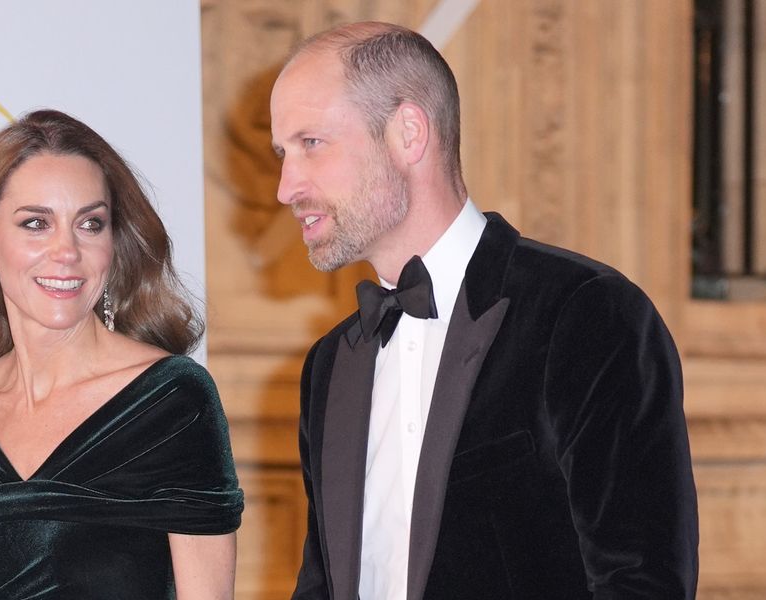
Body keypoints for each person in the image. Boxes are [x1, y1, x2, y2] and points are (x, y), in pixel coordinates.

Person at [270, 22, 698, 599]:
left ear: (408, 133)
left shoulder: (585, 313)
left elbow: (640, 583)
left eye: (311, 144)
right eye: (282, 153)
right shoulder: (329, 364)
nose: (285, 186)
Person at [0, 109, 243, 600]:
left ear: (113, 245)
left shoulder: (172, 400)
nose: (66, 251)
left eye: (90, 224)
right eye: (36, 223)